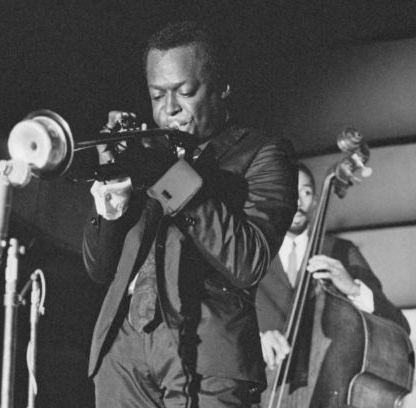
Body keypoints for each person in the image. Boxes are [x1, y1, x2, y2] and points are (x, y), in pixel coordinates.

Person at [82, 21, 298, 408]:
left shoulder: (263, 154)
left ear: (222, 88)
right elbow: (100, 270)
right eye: (157, 95)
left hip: (207, 352)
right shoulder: (145, 156)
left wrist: (169, 174)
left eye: (185, 92)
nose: (170, 109)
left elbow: (248, 261)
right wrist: (113, 200)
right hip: (122, 348)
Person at [255, 162, 410, 406]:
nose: (297, 202)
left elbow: (397, 325)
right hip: (264, 392)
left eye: (305, 192)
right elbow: (221, 320)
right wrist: (257, 337)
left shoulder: (340, 251)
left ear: (315, 201)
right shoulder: (252, 255)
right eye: (289, 193)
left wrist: (353, 289)